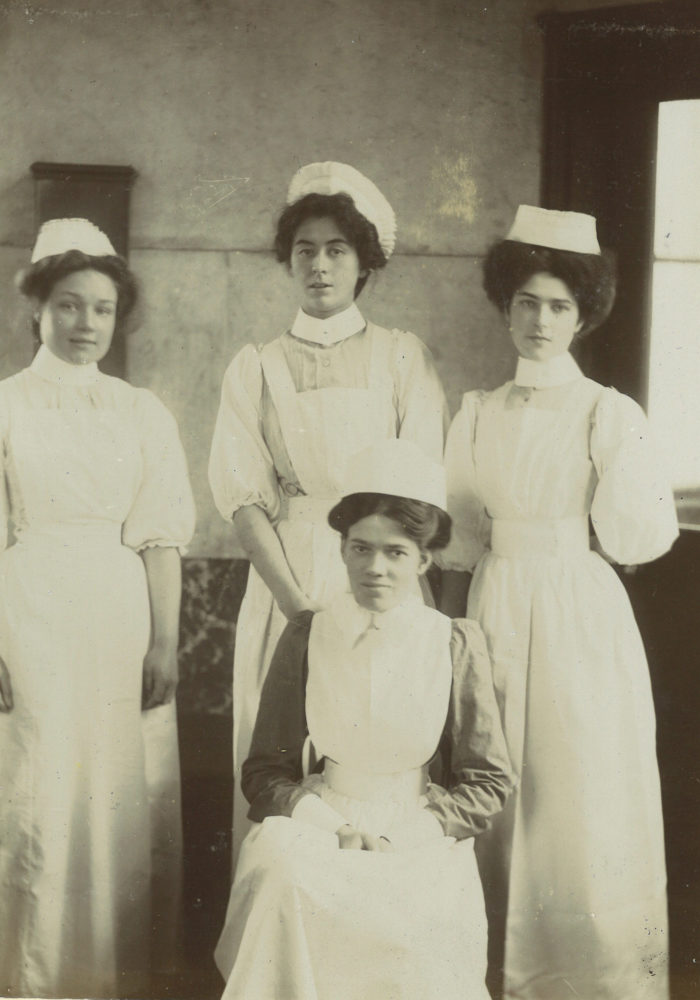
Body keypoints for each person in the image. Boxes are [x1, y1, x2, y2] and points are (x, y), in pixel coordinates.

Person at [439, 205, 678, 999]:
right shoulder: (474, 413)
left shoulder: (608, 413)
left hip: (577, 610)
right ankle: (492, 972)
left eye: (559, 306)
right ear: (505, 306)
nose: (541, 321)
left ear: (583, 315)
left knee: (576, 785)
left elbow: (637, 532)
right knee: (497, 770)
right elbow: (461, 532)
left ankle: (584, 978)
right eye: (527, 303)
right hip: (496, 601)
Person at [0, 218, 196, 998]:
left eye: (100, 308)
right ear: (37, 307)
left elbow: (162, 538)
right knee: (28, 792)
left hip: (116, 619)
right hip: (25, 617)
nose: (85, 323)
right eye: (68, 305)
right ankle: (18, 978)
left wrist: (166, 646)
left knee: (109, 795)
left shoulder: (141, 412)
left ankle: (103, 976)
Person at [208, 162, 449, 862]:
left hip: (384, 569)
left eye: (337, 249)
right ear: (289, 258)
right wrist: (298, 611)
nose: (319, 265)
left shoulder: (402, 357)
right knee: (284, 747)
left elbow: (421, 491)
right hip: (289, 577)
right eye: (306, 249)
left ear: (364, 261)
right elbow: (243, 497)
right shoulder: (256, 365)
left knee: (380, 740)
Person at [214, 438, 514, 999]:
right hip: (322, 821)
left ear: (424, 560)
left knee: (411, 923)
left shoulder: (451, 642)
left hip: (420, 827)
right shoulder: (308, 633)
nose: (375, 568)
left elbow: (489, 780)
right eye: (360, 549)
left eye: (396, 552)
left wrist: (410, 833)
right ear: (343, 550)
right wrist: (334, 828)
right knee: (286, 878)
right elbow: (263, 773)